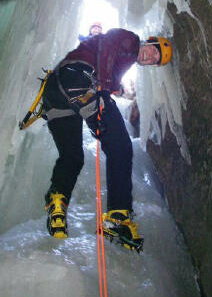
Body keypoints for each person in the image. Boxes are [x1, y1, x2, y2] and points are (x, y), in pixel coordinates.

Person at [42, 28, 173, 250]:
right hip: (81, 80)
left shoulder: (124, 62)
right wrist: (102, 86)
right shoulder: (130, 39)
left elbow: (107, 61)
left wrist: (111, 87)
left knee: (72, 157)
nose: (150, 58)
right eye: (154, 51)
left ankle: (57, 204)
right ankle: (118, 217)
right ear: (149, 41)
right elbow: (108, 45)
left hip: (55, 93)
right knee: (120, 147)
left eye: (154, 61)